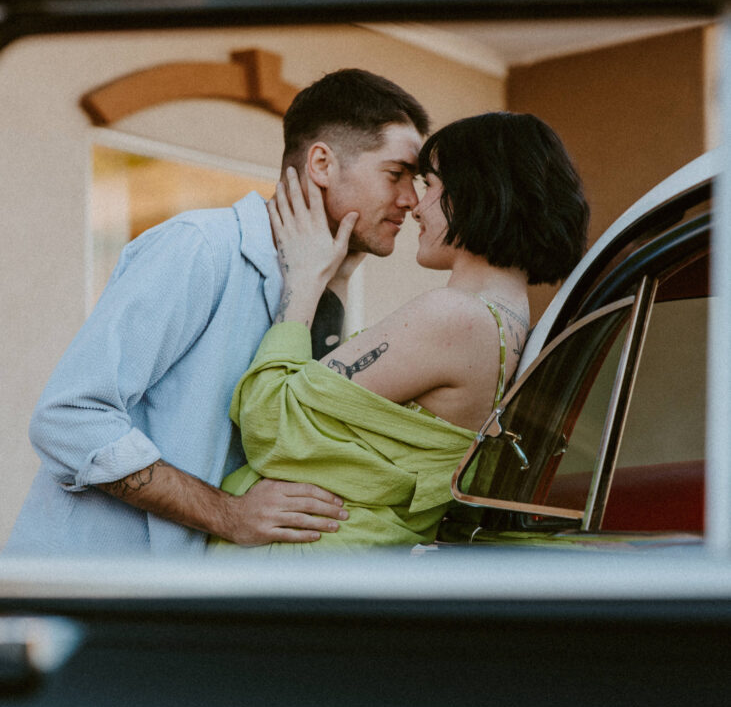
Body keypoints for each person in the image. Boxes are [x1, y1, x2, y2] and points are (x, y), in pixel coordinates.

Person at [5, 69, 430, 556]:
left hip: (183, 609)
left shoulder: (318, 286)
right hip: (90, 598)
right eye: (396, 174)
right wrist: (228, 513)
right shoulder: (200, 248)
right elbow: (69, 420)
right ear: (321, 163)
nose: (411, 200)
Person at [215, 111, 590, 554]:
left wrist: (303, 283)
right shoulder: (511, 325)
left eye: (431, 185)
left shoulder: (455, 318)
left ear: (478, 193)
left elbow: (270, 424)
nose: (415, 203)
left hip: (298, 573)